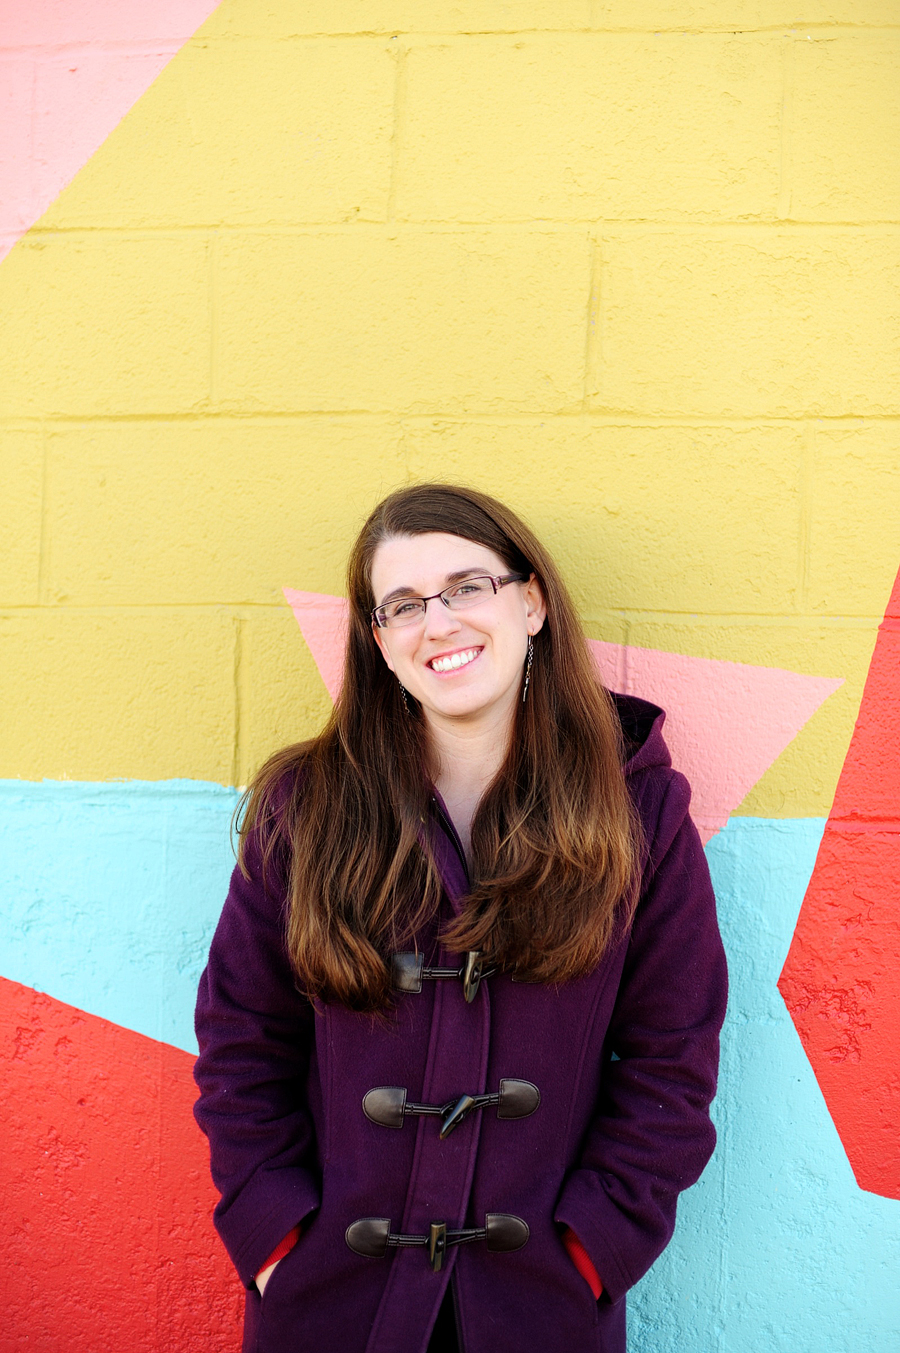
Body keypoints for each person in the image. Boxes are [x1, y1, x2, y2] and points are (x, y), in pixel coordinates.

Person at [193, 483, 727, 1353]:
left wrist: (597, 1245)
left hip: (539, 1303)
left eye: (467, 586)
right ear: (380, 642)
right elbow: (242, 1034)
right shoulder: (309, 807)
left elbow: (674, 1051)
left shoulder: (641, 815)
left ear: (532, 601)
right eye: (403, 604)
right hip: (328, 1302)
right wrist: (274, 1235)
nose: (437, 622)